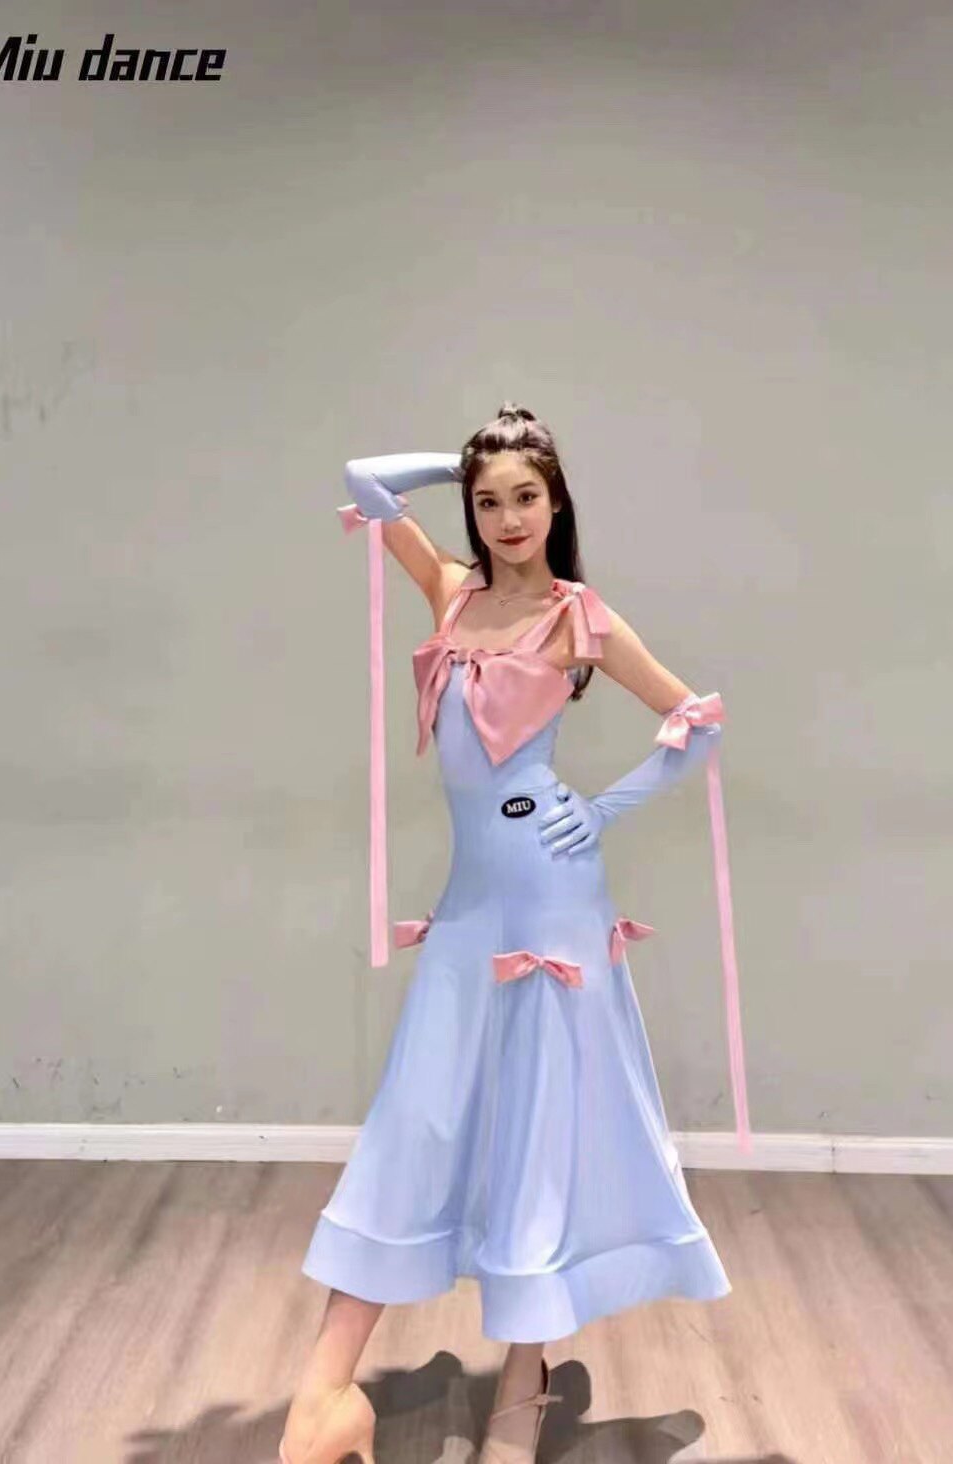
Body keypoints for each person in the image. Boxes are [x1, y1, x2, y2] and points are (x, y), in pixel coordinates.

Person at [279, 403, 747, 1464]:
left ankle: (522, 1389)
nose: (506, 518)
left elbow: (697, 719)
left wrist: (606, 810)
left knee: (540, 1131)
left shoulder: (580, 617)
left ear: (557, 502)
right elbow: (363, 481)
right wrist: (462, 464)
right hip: (472, 899)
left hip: (553, 896)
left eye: (526, 496)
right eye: (488, 501)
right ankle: (325, 1400)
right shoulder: (451, 589)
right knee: (418, 1118)